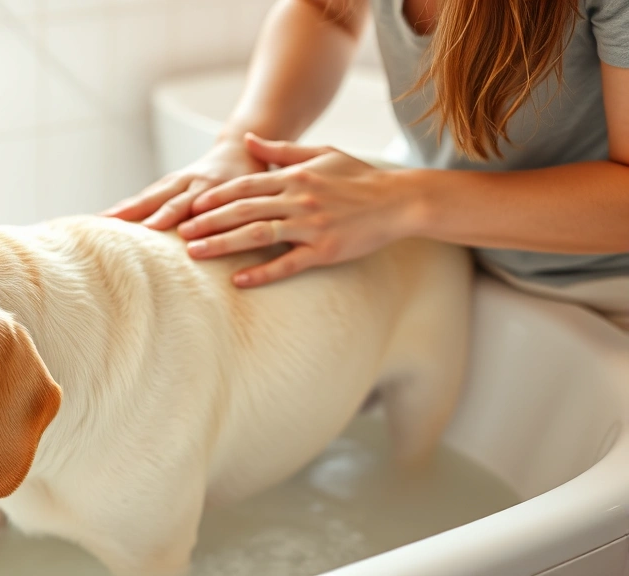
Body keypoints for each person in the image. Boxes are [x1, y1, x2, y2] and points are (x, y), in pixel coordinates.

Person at [103, 0, 629, 330]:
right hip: (448, 231)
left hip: (601, 290)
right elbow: (321, 10)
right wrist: (242, 141)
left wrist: (398, 199)